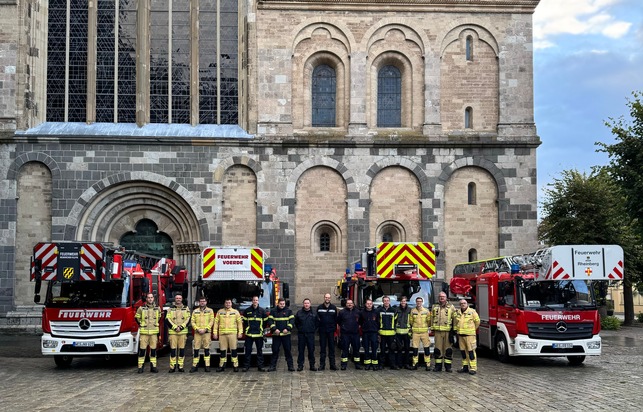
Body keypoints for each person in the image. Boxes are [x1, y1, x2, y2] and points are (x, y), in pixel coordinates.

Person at [213, 298, 243, 372]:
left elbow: (239, 323)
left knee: (234, 351)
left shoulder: (235, 312)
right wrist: (214, 333)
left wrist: (240, 333)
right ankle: (222, 365)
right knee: (222, 351)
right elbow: (216, 323)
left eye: (229, 303)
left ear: (231, 304)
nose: (228, 304)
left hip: (232, 334)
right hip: (222, 335)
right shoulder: (220, 312)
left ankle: (235, 365)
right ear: (224, 303)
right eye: (226, 303)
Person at [431, 291, 457, 372]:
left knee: (448, 350)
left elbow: (455, 319)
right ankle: (438, 366)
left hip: (448, 332)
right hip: (438, 331)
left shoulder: (451, 307)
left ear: (446, 298)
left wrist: (454, 330)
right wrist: (432, 328)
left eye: (443, 297)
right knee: (437, 349)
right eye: (440, 297)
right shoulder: (434, 306)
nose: (441, 298)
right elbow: (431, 318)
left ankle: (448, 367)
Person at [135, 293, 160, 373]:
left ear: (153, 298)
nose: (150, 299)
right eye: (148, 298)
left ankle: (153, 367)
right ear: (146, 299)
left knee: (153, 351)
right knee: (142, 350)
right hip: (144, 333)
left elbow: (159, 318)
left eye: (151, 297)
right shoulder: (141, 308)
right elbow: (137, 317)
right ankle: (140, 367)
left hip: (153, 333)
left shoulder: (157, 308)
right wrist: (141, 324)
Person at [454, 299, 481, 375]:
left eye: (464, 303)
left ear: (467, 304)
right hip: (461, 335)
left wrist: (472, 329)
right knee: (463, 352)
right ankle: (465, 366)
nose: (463, 304)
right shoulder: (458, 313)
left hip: (470, 335)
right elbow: (456, 323)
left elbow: (477, 321)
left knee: (471, 352)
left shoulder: (472, 312)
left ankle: (473, 368)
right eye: (461, 303)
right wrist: (456, 331)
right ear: (460, 305)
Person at [242, 295, 269, 372]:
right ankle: (246, 366)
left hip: (259, 334)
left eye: (256, 300)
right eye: (254, 300)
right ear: (252, 301)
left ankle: (260, 366)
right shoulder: (247, 311)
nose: (255, 301)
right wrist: (247, 329)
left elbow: (265, 321)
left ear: (258, 301)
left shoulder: (262, 311)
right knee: (248, 351)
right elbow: (245, 322)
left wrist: (261, 329)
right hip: (249, 334)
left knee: (259, 351)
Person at [268, 298, 295, 372]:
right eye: (281, 304)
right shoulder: (273, 311)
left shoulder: (289, 311)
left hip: (286, 335)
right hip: (276, 335)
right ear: (278, 303)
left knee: (288, 351)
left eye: (283, 304)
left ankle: (290, 366)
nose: (282, 305)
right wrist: (274, 329)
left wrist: (288, 328)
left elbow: (292, 321)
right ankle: (272, 366)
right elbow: (270, 321)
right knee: (275, 351)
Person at [167, 294, 191, 373]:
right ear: (175, 299)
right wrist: (174, 327)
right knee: (173, 350)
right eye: (177, 298)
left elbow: (188, 319)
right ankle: (172, 367)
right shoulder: (170, 309)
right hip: (173, 333)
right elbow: (167, 319)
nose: (178, 299)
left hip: (182, 332)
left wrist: (181, 327)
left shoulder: (186, 308)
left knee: (182, 350)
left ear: (182, 299)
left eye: (179, 298)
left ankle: (181, 366)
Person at [190, 296, 214, 373]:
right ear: (199, 302)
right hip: (197, 333)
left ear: (206, 302)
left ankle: (207, 366)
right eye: (201, 301)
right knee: (196, 350)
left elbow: (211, 321)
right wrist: (197, 329)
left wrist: (205, 329)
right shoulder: (195, 311)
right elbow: (192, 321)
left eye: (204, 301)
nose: (202, 302)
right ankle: (195, 366)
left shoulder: (210, 311)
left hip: (206, 333)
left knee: (206, 350)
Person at [295, 298, 318, 371]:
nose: (306, 304)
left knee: (311, 350)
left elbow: (317, 323)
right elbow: (296, 323)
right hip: (302, 334)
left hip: (310, 334)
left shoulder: (314, 313)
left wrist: (313, 329)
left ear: (310, 304)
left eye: (308, 303)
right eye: (305, 303)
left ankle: (312, 365)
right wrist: (300, 329)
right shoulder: (299, 313)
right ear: (303, 304)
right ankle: (300, 365)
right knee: (301, 350)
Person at [337, 299, 361, 370]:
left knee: (356, 349)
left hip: (355, 334)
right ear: (346, 304)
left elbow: (361, 321)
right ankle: (343, 365)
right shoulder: (342, 312)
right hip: (345, 334)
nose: (349, 304)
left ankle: (357, 364)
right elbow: (338, 321)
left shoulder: (358, 312)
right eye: (348, 303)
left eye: (351, 303)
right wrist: (344, 327)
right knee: (345, 349)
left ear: (353, 304)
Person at [317, 293, 338, 370]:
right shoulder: (319, 308)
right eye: (326, 297)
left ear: (330, 298)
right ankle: (322, 365)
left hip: (331, 331)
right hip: (322, 331)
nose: (327, 299)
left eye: (328, 297)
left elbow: (336, 319)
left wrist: (334, 330)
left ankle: (332, 365)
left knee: (332, 348)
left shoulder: (333, 308)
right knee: (322, 349)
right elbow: (317, 319)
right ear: (324, 298)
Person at [409, 296, 431, 370]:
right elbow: (411, 321)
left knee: (426, 349)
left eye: (420, 301)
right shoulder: (413, 311)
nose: (419, 302)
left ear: (422, 302)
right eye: (417, 301)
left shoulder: (426, 311)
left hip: (424, 332)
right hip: (415, 333)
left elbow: (429, 321)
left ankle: (427, 364)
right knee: (415, 349)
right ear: (416, 302)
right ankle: (415, 364)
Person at [377, 296, 397, 370]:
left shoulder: (394, 310)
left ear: (389, 301)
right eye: (385, 300)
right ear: (383, 302)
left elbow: (396, 322)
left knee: (392, 350)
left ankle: (392, 364)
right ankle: (381, 365)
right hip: (382, 334)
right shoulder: (379, 310)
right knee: (382, 350)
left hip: (391, 334)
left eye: (387, 300)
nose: (386, 302)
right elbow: (377, 322)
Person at [359, 299, 379, 370]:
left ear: (372, 304)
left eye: (370, 303)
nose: (369, 305)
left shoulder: (376, 312)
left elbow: (378, 321)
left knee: (374, 348)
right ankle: (367, 364)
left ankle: (374, 364)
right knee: (366, 348)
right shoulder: (362, 312)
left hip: (374, 332)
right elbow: (360, 322)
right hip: (365, 333)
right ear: (365, 304)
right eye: (368, 303)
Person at [394, 296, 412, 369]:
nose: (403, 302)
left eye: (404, 301)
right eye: (402, 301)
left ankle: (406, 364)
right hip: (398, 332)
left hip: (407, 333)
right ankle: (399, 364)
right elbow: (394, 320)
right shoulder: (396, 309)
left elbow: (412, 320)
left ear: (406, 302)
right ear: (400, 302)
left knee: (407, 349)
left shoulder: (410, 310)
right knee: (399, 349)